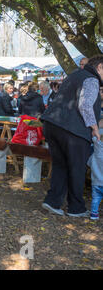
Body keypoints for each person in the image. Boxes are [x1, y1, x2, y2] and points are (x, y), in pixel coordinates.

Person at [40, 55, 103, 217]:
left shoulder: (74, 75)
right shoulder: (91, 79)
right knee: (77, 168)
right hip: (73, 130)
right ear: (100, 67)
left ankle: (52, 201)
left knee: (61, 164)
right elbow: (85, 105)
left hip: (52, 124)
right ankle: (76, 208)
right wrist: (94, 127)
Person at [88, 136, 103, 220]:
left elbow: (89, 163)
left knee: (96, 199)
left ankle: (94, 214)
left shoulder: (95, 155)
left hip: (96, 182)